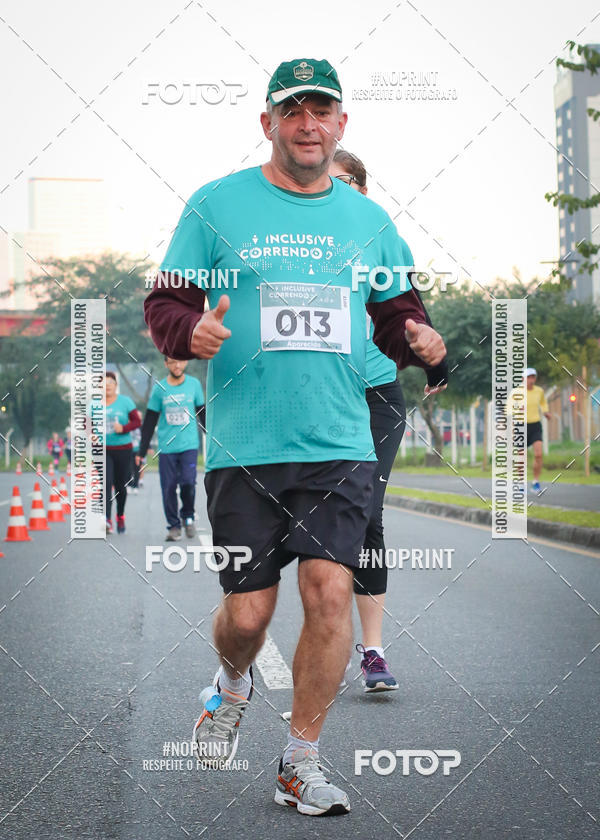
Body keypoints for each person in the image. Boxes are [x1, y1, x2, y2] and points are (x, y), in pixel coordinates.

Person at [144, 57, 447, 817]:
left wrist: (420, 338)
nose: (309, 126)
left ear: (341, 124)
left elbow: (395, 309)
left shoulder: (368, 220)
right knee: (247, 615)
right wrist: (190, 330)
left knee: (329, 591)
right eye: (294, 112)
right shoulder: (217, 205)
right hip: (245, 443)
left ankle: (300, 760)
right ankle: (232, 683)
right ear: (268, 123)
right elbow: (167, 298)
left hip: (339, 439)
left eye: (323, 113)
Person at [330, 150, 448, 692]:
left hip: (375, 392)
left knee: (367, 514)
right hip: (312, 396)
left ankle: (372, 650)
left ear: (360, 186)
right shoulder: (293, 240)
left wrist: (430, 352)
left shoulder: (380, 235)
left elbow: (407, 309)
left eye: (340, 180)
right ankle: (251, 636)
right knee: (295, 518)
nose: (328, 189)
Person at [137, 357, 205, 540]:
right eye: (173, 362)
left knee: (188, 483)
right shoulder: (160, 389)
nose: (177, 365)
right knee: (168, 487)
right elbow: (150, 421)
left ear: (186, 363)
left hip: (189, 445)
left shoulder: (194, 384)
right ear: (166, 364)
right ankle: (173, 526)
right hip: (167, 447)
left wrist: (213, 439)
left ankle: (188, 517)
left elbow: (202, 414)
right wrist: (141, 452)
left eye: (181, 361)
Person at [104, 372, 141, 534]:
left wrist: (123, 429)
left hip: (123, 450)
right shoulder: (94, 404)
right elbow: (86, 424)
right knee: (105, 483)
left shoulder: (125, 402)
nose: (107, 385)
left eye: (110, 382)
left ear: (115, 385)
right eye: (103, 383)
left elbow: (137, 421)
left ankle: (120, 516)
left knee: (120, 485)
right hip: (103, 450)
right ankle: (106, 519)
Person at [525, 367, 550, 493]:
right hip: (521, 426)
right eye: (529, 377)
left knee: (538, 454)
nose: (531, 379)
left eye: (533, 377)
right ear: (523, 378)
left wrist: (546, 412)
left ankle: (535, 482)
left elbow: (543, 403)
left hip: (535, 425)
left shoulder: (539, 391)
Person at [130, 427, 142, 494]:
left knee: (137, 469)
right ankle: (129, 485)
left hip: (138, 451)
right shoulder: (128, 425)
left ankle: (136, 486)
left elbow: (145, 438)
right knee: (129, 468)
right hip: (128, 450)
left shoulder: (140, 427)